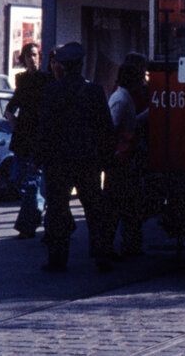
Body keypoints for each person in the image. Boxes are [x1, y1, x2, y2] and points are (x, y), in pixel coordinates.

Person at [35, 41, 114, 273]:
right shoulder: (95, 91)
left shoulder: (51, 92)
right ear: (81, 64)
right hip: (87, 159)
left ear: (62, 66)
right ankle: (102, 255)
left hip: (58, 161)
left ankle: (57, 259)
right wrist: (106, 158)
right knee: (94, 208)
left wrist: (38, 158)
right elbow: (105, 128)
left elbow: (44, 129)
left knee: (57, 210)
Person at [104, 55, 149, 259]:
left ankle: (128, 244)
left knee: (129, 205)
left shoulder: (124, 97)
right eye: (139, 79)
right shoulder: (121, 99)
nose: (142, 83)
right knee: (117, 206)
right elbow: (112, 127)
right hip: (120, 161)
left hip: (126, 157)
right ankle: (108, 246)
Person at [5, 42, 48, 239]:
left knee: (32, 181)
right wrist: (11, 117)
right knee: (17, 178)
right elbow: (13, 104)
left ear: (39, 56)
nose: (32, 59)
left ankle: (28, 223)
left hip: (38, 136)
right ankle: (38, 206)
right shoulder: (21, 80)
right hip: (23, 136)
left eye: (34, 55)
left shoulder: (45, 79)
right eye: (28, 55)